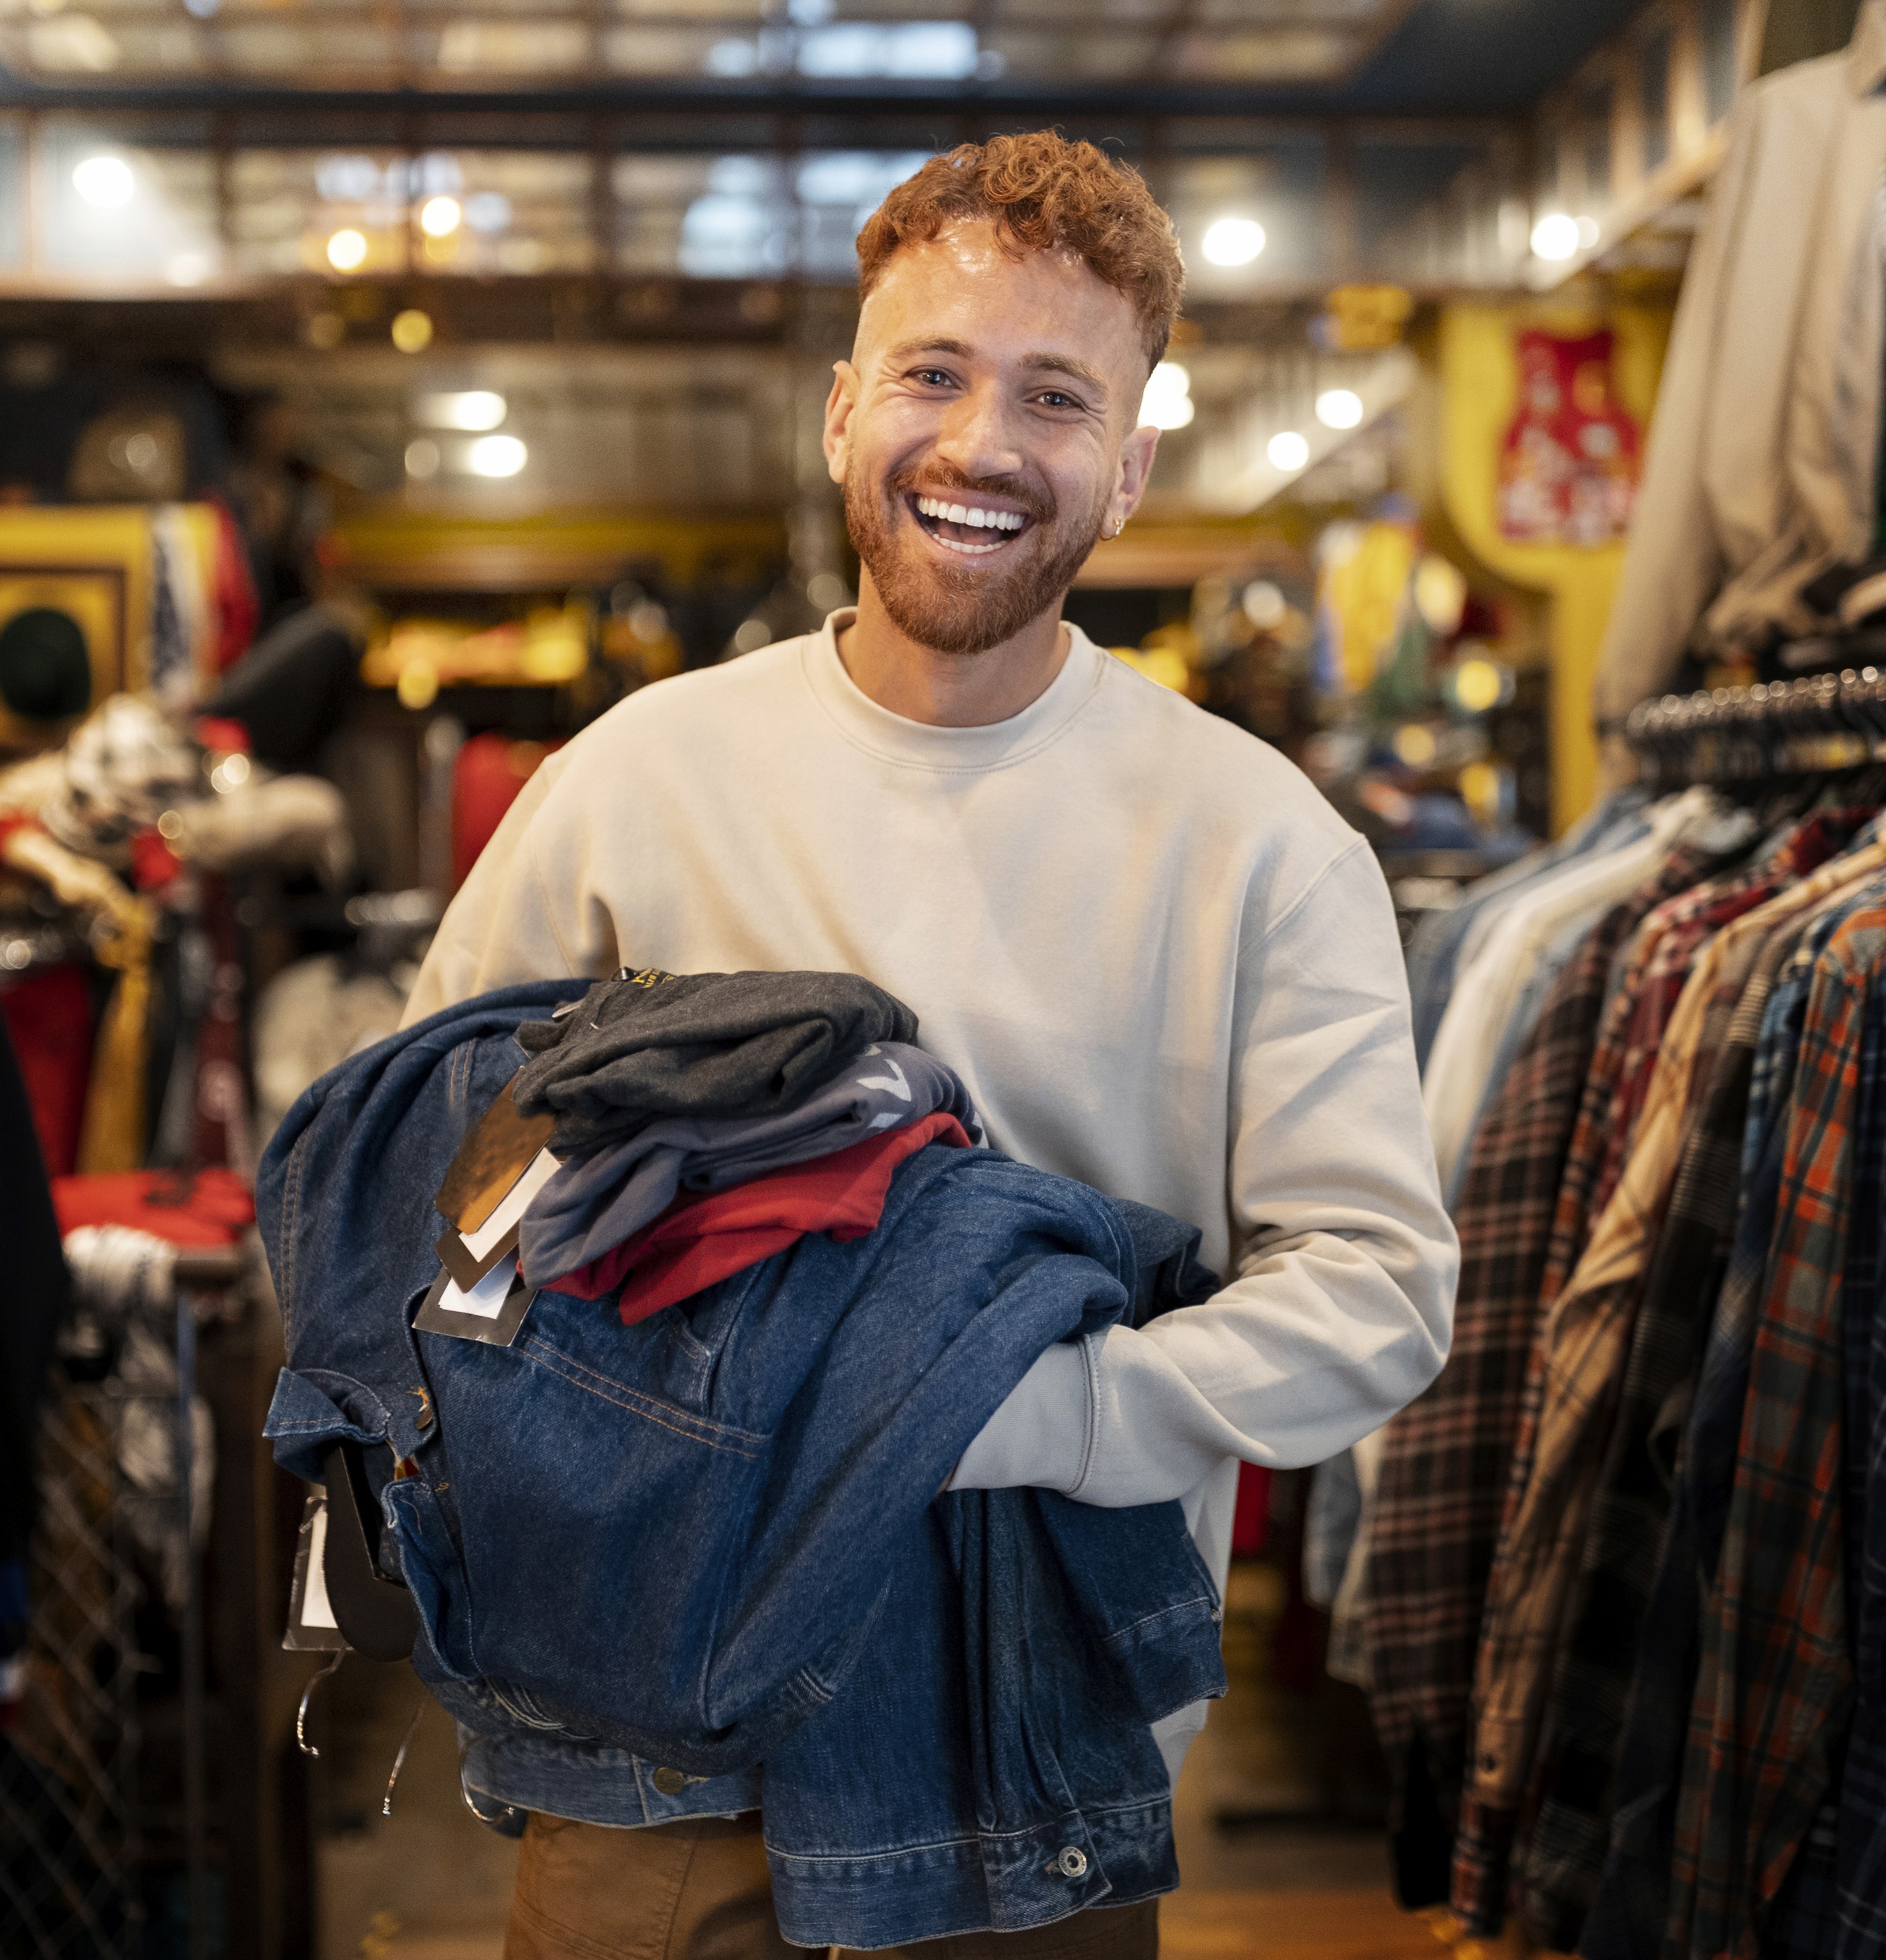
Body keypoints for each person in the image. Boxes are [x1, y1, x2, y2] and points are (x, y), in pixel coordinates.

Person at [405, 130, 1459, 1960]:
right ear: (841, 415)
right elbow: (445, 1176)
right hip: (659, 1739)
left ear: (1129, 468)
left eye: (1056, 397)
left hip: (1034, 1758)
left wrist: (1010, 1420)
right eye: (934, 374)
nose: (981, 445)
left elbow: (1375, 1287)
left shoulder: (1263, 842)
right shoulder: (635, 781)